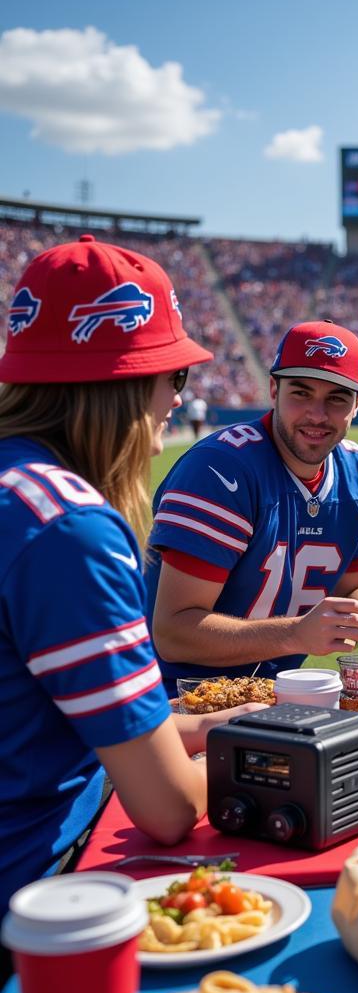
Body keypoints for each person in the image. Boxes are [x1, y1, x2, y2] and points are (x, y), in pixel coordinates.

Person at [0, 236, 218, 934]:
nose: (176, 403)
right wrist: (277, 747)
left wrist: (213, 726)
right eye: (173, 379)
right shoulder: (65, 527)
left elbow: (50, 718)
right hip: (38, 892)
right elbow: (169, 809)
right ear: (125, 382)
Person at [145, 320, 358, 695]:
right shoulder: (220, 469)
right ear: (274, 389)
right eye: (302, 393)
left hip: (271, 696)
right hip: (174, 698)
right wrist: (295, 634)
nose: (317, 414)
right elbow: (174, 634)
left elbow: (354, 583)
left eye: (337, 398)